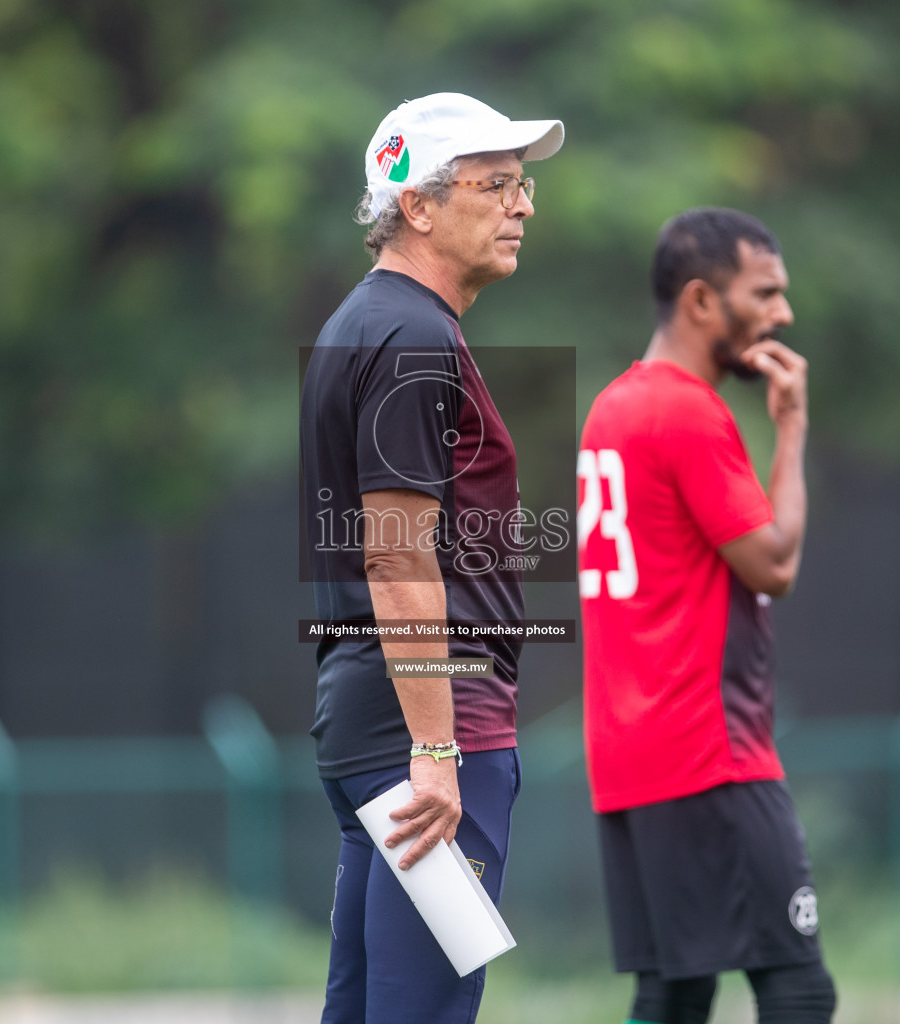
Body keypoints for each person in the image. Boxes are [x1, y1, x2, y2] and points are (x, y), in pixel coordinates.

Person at [299, 92, 564, 1024]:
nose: (523, 206)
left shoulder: (368, 322)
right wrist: (438, 750)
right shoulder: (412, 334)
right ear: (417, 205)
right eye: (497, 185)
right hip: (426, 737)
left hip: (371, 727)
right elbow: (397, 560)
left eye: (521, 186)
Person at [577, 208, 837, 1024]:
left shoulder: (612, 408)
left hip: (628, 757)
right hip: (708, 753)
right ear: (699, 301)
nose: (782, 314)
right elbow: (776, 564)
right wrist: (790, 429)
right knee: (797, 986)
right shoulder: (687, 411)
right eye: (764, 293)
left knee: (676, 991)